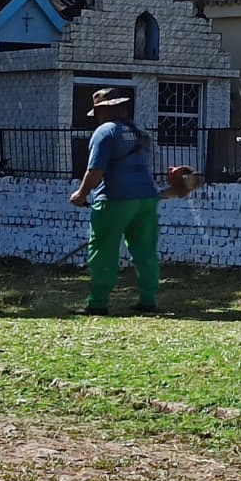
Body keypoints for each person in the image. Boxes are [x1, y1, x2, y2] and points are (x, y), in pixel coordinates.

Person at [69, 87, 163, 315]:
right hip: (146, 198)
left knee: (103, 250)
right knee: (145, 250)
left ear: (103, 110)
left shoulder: (105, 132)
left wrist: (80, 194)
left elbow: (96, 171)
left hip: (115, 198)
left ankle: (98, 303)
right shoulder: (140, 133)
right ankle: (148, 300)